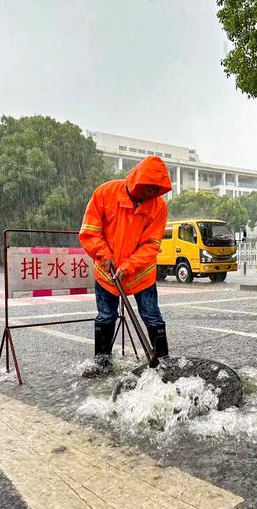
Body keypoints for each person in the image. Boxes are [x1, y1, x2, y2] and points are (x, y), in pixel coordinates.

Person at [79, 156, 172, 377]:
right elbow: (90, 231)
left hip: (142, 274)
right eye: (147, 188)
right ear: (136, 179)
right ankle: (102, 362)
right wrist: (104, 255)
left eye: (155, 189)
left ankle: (165, 363)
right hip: (107, 273)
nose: (150, 193)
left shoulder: (158, 207)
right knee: (105, 316)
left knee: (152, 316)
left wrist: (129, 266)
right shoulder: (105, 193)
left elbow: (151, 245)